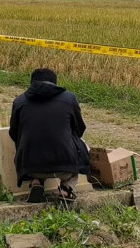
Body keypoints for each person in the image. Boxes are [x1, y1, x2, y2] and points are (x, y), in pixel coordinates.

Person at [9, 68, 91, 202]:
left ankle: (36, 181)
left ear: (32, 83)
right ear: (55, 82)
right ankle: (66, 189)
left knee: (30, 146)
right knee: (83, 146)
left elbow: (13, 133)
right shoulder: (69, 98)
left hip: (30, 167)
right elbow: (79, 129)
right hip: (65, 167)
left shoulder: (19, 101)